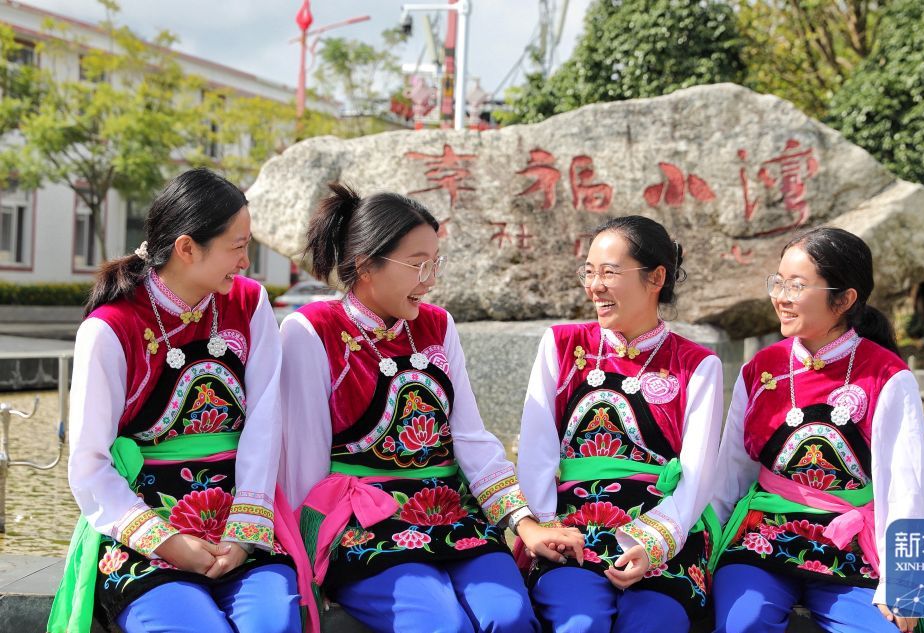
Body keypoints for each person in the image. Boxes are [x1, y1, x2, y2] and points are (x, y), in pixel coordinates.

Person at [279, 183, 584, 633]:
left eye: (435, 263)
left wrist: (524, 523)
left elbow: (471, 438)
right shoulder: (311, 329)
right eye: (418, 264)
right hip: (365, 527)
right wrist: (309, 560)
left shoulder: (438, 325)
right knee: (442, 625)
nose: (430, 280)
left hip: (452, 513)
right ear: (365, 264)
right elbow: (302, 462)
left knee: (510, 618)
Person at [48, 169, 300, 633]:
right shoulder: (111, 328)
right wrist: (167, 542)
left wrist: (244, 533)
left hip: (240, 522)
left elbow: (266, 421)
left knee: (272, 622)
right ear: (187, 248)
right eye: (237, 246)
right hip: (144, 529)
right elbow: (88, 464)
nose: (246, 261)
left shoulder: (249, 303)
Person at [710, 227, 924, 633]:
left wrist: (905, 583)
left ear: (843, 299)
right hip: (763, 537)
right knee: (743, 622)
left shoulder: (887, 376)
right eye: (778, 282)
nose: (781, 297)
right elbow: (731, 473)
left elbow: (906, 487)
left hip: (850, 545)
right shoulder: (760, 369)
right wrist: (703, 548)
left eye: (797, 285)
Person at [517, 215, 724, 632]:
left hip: (663, 534)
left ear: (656, 278)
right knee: (580, 624)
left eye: (609, 272)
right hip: (572, 530)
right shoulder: (562, 345)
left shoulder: (698, 365)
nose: (595, 286)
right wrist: (548, 526)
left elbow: (698, 475)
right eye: (589, 272)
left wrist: (655, 542)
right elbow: (537, 451)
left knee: (653, 624)